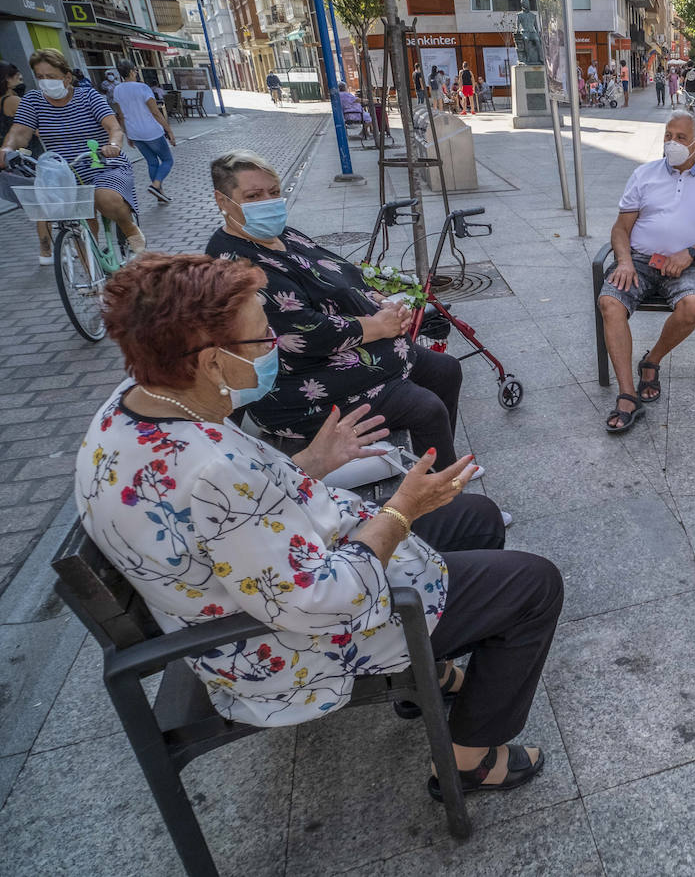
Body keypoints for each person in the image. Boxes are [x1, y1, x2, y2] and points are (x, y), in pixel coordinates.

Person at [82, 252, 561, 795]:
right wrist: (401, 510)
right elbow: (319, 600)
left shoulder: (132, 404)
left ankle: (425, 674)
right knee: (535, 586)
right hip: (286, 642)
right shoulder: (209, 467)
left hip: (280, 579)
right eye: (262, 340)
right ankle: (471, 759)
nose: (274, 349)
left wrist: (309, 463)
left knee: (472, 516)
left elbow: (232, 516)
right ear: (211, 362)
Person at [204, 150, 466, 467]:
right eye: (253, 195)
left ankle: (443, 467)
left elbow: (338, 270)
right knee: (426, 408)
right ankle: (439, 499)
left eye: (273, 192)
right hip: (305, 386)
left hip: (358, 352)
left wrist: (378, 298)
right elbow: (304, 332)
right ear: (222, 200)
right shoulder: (234, 262)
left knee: (446, 370)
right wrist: (381, 326)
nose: (268, 202)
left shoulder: (281, 234)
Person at [599, 112, 695, 432]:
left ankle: (652, 360)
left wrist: (690, 253)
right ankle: (628, 395)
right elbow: (621, 228)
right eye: (667, 136)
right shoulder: (643, 174)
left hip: (686, 263)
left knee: (694, 305)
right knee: (610, 303)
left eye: (680, 138)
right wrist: (624, 261)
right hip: (639, 261)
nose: (671, 143)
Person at [0, 48, 144, 253]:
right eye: (40, 77)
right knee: (81, 225)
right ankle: (93, 281)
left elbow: (113, 127)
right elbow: (20, 132)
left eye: (51, 76)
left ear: (67, 77)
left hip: (102, 163)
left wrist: (113, 145)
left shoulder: (88, 96)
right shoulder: (33, 101)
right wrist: (7, 148)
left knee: (105, 198)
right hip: (64, 172)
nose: (45, 81)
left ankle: (129, 229)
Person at [1, 61, 51, 264]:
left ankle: (53, 248)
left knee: (40, 206)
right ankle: (46, 252)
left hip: (10, 160)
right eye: (16, 76)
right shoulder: (13, 101)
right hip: (27, 157)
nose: (20, 78)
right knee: (43, 206)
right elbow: (36, 127)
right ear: (7, 78)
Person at [112, 61, 176, 204]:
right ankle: (156, 185)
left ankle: (160, 194)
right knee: (167, 160)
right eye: (135, 70)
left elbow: (121, 115)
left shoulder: (117, 90)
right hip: (151, 131)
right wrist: (169, 130)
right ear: (131, 72)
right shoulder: (143, 88)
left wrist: (127, 134)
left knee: (152, 163)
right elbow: (155, 112)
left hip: (135, 133)